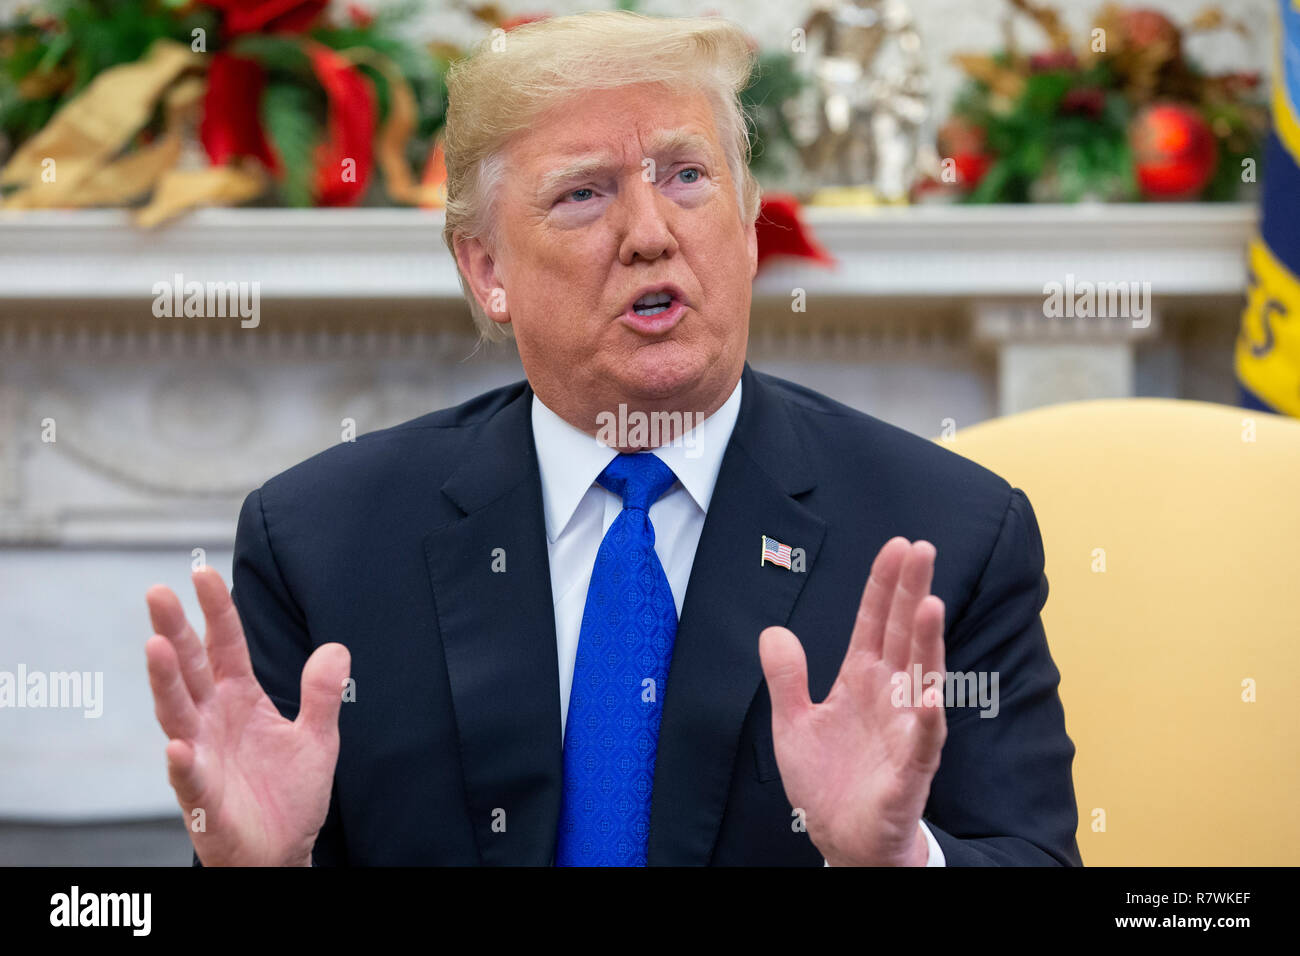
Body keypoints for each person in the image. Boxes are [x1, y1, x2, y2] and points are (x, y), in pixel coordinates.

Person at [143, 10, 1080, 867]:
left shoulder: (947, 535)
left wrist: (899, 860)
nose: (649, 234)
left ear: (751, 228)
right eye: (584, 194)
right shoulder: (323, 543)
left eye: (686, 176)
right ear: (487, 271)